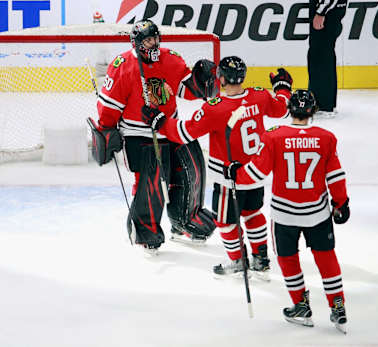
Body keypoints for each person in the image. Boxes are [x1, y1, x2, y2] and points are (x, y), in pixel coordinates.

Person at [143, 56, 293, 279]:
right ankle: (260, 259)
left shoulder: (215, 108)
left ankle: (236, 260)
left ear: (221, 79)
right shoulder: (259, 96)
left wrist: (159, 121)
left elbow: (184, 133)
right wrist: (282, 87)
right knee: (253, 213)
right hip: (256, 173)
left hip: (228, 178)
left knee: (225, 221)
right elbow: (283, 109)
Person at [224, 89, 350, 332]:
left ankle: (300, 306)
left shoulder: (274, 136)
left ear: (289, 110)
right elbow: (335, 176)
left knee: (287, 259)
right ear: (313, 111)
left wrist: (235, 172)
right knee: (326, 258)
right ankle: (338, 306)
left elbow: (256, 173)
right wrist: (341, 203)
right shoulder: (326, 137)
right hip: (318, 213)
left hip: (284, 215)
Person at [90, 19, 217, 253]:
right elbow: (109, 108)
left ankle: (185, 219)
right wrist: (106, 129)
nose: (154, 43)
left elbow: (185, 89)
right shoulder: (123, 65)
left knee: (193, 163)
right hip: (139, 133)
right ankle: (144, 227)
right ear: (137, 43)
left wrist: (200, 83)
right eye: (148, 40)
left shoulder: (170, 58)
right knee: (154, 176)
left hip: (168, 126)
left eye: (156, 38)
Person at [308, 0, 347, 118]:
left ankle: (324, 105)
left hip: (328, 12)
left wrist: (321, 12)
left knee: (322, 56)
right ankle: (321, 103)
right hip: (328, 10)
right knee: (318, 55)